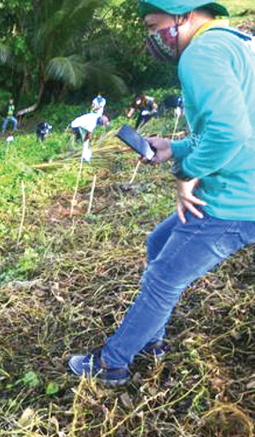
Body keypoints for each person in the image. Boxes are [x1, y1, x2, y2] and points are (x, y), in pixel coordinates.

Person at [69, 0, 255, 385]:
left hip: (235, 198)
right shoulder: (234, 42)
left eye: (154, 26)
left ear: (183, 16)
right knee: (158, 243)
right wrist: (177, 147)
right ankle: (151, 340)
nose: (153, 37)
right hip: (242, 181)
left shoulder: (199, 55)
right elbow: (236, 124)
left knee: (163, 280)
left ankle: (112, 363)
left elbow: (230, 134)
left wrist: (187, 172)